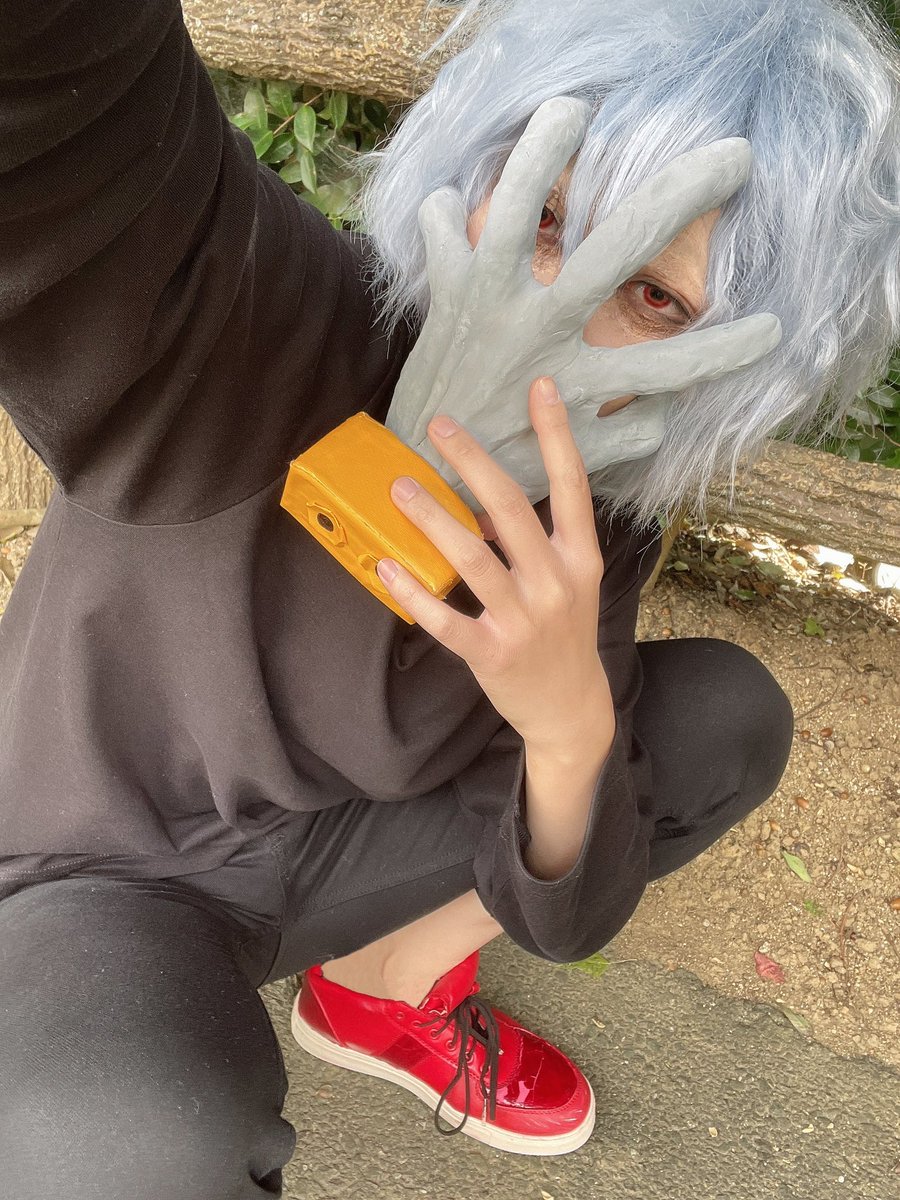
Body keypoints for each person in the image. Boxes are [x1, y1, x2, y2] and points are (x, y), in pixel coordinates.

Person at [0, 0, 896, 1192]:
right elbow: (64, 102)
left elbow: (569, 916)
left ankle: (379, 996)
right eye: (546, 215)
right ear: (478, 156)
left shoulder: (589, 504)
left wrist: (566, 724)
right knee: (130, 1145)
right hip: (101, 878)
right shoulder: (247, 323)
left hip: (333, 864)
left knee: (719, 717)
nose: (552, 310)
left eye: (654, 300)